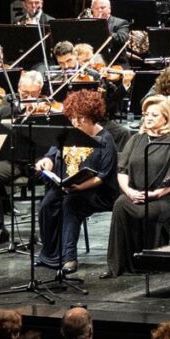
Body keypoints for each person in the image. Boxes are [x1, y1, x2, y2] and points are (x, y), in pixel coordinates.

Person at [33, 87, 117, 277]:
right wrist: (47, 161)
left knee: (70, 204)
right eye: (73, 118)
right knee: (47, 204)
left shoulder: (106, 139)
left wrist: (79, 187)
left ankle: (69, 257)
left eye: (81, 119)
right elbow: (52, 154)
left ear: (93, 117)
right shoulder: (69, 133)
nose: (76, 123)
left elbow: (103, 176)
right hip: (69, 186)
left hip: (97, 191)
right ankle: (49, 254)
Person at [108, 95, 170, 271]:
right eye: (146, 114)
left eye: (154, 115)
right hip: (136, 192)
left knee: (147, 210)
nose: (148, 118)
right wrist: (129, 191)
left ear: (166, 118)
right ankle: (121, 264)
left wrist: (153, 194)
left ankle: (149, 262)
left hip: (164, 196)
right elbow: (122, 170)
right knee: (121, 203)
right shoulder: (136, 139)